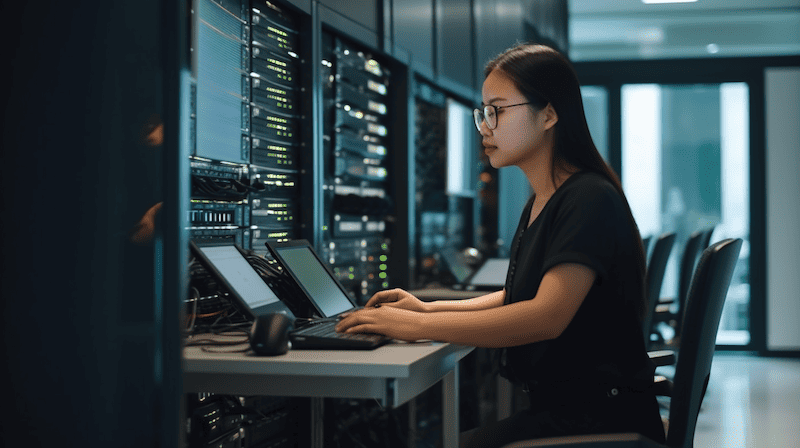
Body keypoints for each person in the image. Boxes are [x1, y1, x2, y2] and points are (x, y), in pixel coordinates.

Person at [335, 43, 666, 447]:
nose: (484, 127)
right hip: (567, 413)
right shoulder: (544, 201)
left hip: (598, 422)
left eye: (497, 110)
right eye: (482, 113)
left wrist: (417, 326)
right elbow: (516, 296)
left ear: (548, 113)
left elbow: (546, 315)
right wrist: (428, 308)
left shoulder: (589, 198)